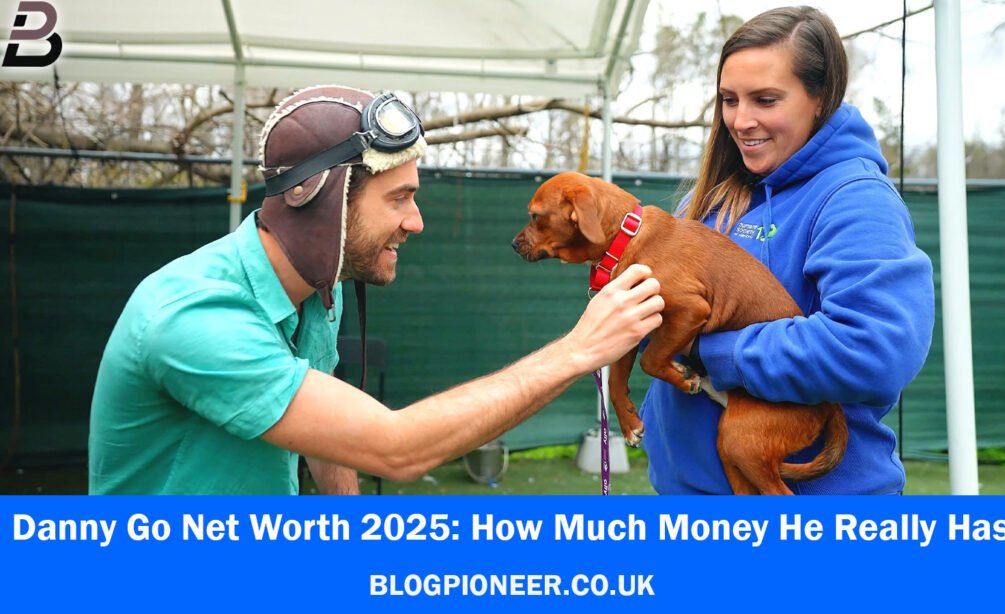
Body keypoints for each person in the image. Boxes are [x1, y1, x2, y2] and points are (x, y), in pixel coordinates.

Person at [89, 85, 664, 495]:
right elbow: (395, 447)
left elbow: (327, 440)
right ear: (319, 201)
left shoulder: (317, 290)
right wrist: (578, 350)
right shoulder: (195, 317)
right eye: (399, 199)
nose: (416, 222)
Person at [639, 6, 934, 494]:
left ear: (820, 98)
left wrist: (708, 351)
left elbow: (876, 348)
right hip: (688, 497)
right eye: (729, 100)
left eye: (766, 100)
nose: (741, 120)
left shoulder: (855, 198)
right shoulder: (708, 198)